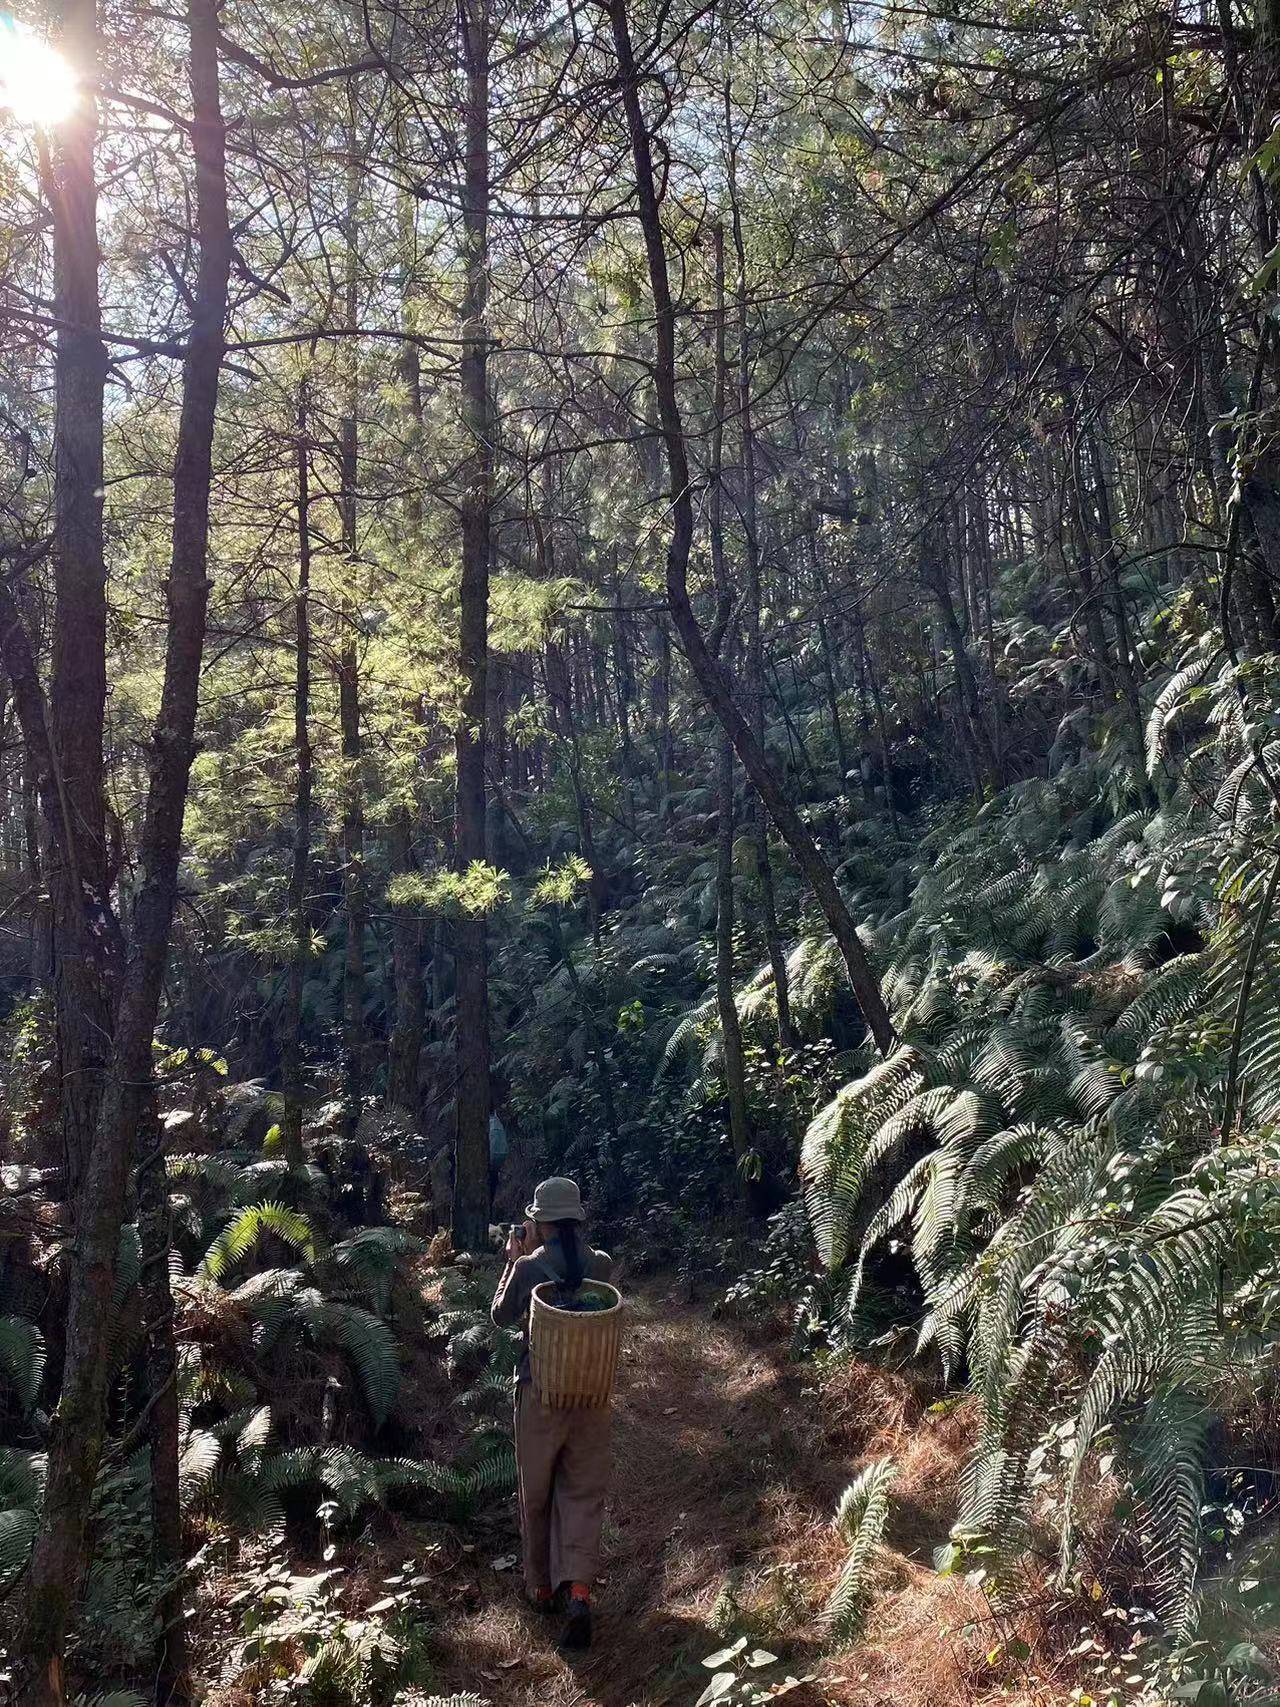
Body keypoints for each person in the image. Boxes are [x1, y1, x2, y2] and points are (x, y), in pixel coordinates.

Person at [491, 1176, 613, 1650]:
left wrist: (511, 1261)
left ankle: (541, 1588)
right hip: (591, 1394)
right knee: (582, 1491)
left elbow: (501, 1316)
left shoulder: (527, 1267)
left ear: (540, 1222)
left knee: (537, 1490)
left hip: (541, 1391)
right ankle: (579, 1591)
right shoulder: (601, 1265)